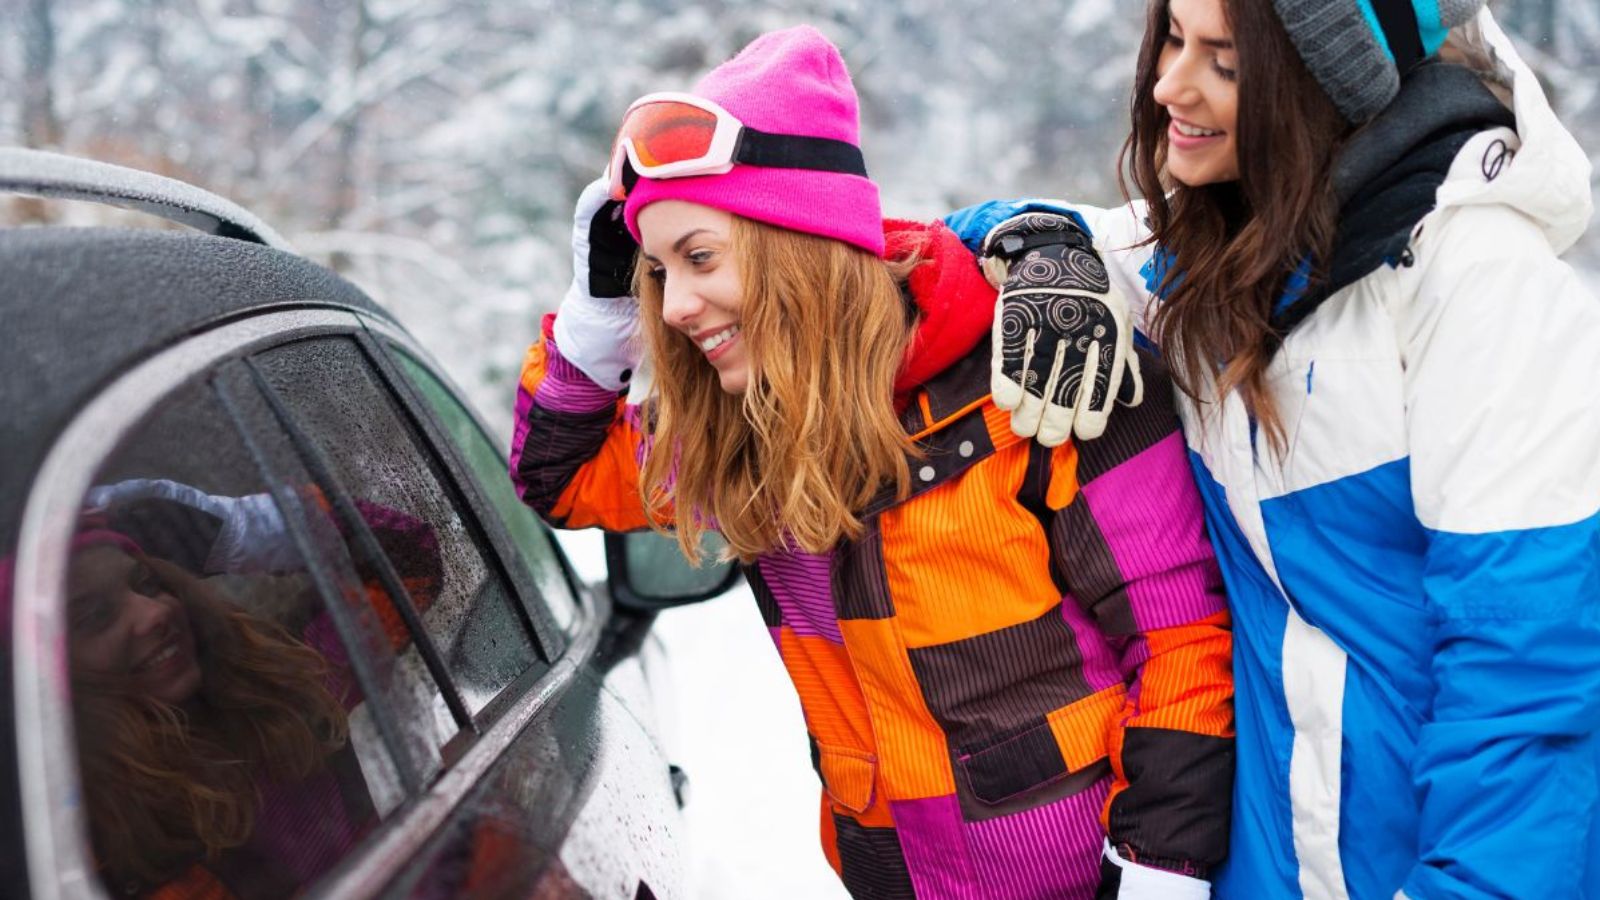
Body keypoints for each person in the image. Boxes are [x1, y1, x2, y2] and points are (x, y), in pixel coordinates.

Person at [511, 26, 1234, 899]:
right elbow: (559, 479)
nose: (674, 308)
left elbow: (1181, 642)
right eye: (659, 273)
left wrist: (1155, 872)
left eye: (700, 258)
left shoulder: (1044, 371)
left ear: (798, 244)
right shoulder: (739, 429)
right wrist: (596, 314)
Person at [946, 2, 1600, 897]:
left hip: (1428, 865)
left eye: (1226, 62)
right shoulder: (1218, 257)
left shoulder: (1480, 283)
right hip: (1264, 864)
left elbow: (1526, 669)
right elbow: (988, 233)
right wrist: (1043, 253)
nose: (1170, 85)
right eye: (1174, 39)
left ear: (1324, 85)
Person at [62, 479, 442, 898]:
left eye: (148, 582)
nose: (154, 613)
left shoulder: (290, 682)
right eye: (95, 616)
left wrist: (239, 530)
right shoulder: (82, 856)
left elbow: (407, 561)